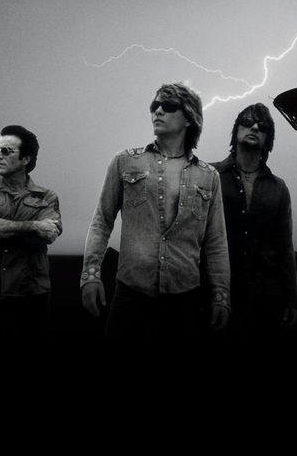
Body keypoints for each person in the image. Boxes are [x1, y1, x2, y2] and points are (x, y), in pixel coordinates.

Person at [81, 83, 230, 343]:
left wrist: (221, 295)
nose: (158, 111)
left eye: (168, 106)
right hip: (131, 294)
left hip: (184, 299)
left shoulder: (208, 176)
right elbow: (101, 222)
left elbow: (216, 242)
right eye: (155, 106)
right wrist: (90, 275)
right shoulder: (125, 162)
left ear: (189, 118)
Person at [0, 125, 62, 340]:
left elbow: (50, 233)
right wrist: (33, 227)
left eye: (6, 151)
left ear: (26, 159)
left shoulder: (46, 197)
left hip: (31, 294)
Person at [211, 103, 297, 341]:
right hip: (217, 293)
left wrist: (292, 299)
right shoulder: (210, 176)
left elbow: (285, 246)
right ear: (236, 130)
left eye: (263, 126)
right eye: (248, 122)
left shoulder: (278, 188)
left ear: (268, 139)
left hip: (265, 296)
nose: (255, 128)